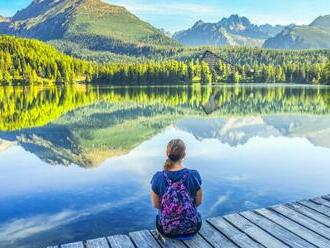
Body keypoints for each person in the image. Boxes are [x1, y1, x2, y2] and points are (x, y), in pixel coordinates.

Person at [150, 139, 203, 239]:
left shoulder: (158, 177)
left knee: (158, 217)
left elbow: (156, 205)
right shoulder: (193, 175)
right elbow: (198, 202)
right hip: (192, 228)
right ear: (184, 155)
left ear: (167, 154)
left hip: (167, 230)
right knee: (198, 213)